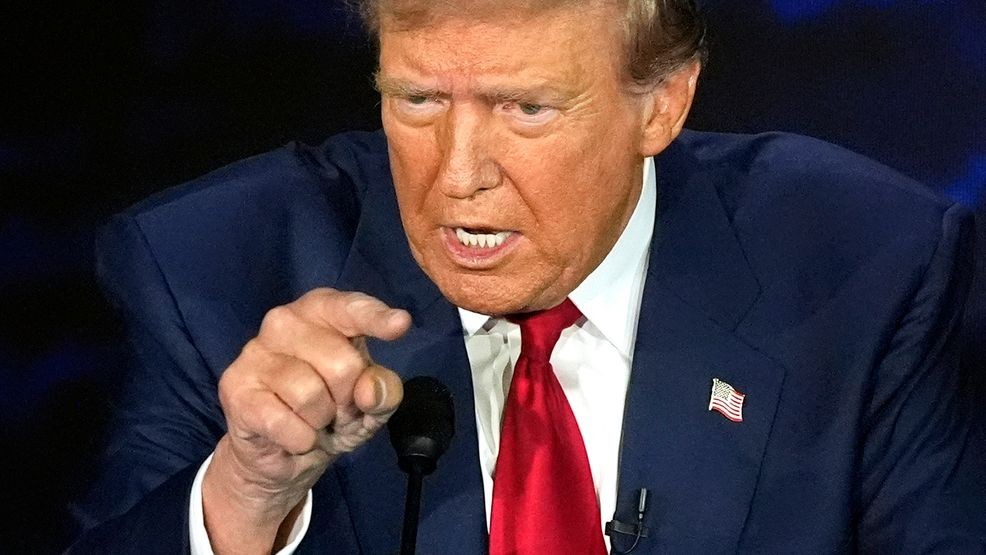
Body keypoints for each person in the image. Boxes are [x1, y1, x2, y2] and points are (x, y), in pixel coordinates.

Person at [72, 0, 986, 553]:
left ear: (662, 102)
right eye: (418, 99)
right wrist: (245, 490)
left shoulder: (864, 267)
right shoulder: (215, 272)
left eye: (527, 108)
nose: (459, 172)